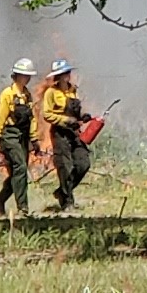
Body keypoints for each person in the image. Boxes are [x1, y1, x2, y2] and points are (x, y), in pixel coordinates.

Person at [41, 62, 95, 210]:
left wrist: (83, 116)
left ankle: (61, 192)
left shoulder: (73, 90)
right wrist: (65, 120)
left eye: (68, 72)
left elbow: (77, 112)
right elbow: (47, 114)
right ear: (58, 76)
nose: (68, 75)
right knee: (65, 167)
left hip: (75, 133)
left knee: (83, 163)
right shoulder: (51, 93)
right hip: (60, 134)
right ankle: (67, 201)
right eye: (65, 73)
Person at [0, 59, 39, 218]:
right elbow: (1, 117)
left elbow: (32, 118)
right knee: (20, 168)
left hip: (23, 136)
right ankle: (23, 208)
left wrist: (34, 138)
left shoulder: (27, 95)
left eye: (29, 75)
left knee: (17, 173)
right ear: (16, 75)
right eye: (24, 75)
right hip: (9, 136)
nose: (27, 78)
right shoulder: (8, 94)